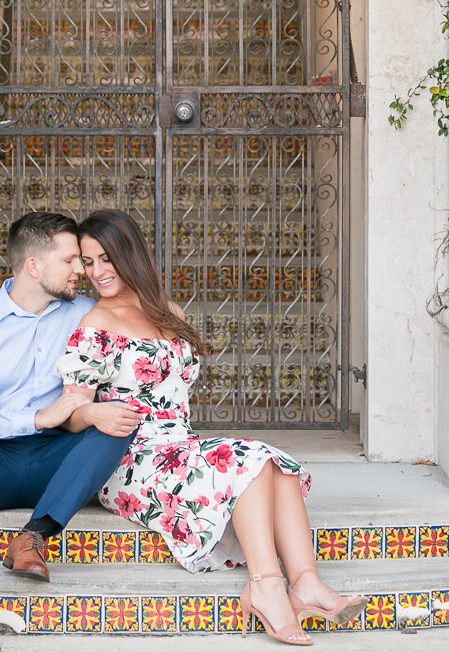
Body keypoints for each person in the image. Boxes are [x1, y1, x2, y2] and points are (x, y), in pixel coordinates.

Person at [54, 209, 366, 647]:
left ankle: (306, 583)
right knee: (248, 459)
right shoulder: (95, 325)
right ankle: (266, 586)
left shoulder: (167, 311)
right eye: (88, 262)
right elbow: (71, 412)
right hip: (127, 458)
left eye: (106, 258)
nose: (96, 271)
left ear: (130, 254)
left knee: (274, 463)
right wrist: (92, 414)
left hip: (178, 446)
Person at [0, 211, 138, 651]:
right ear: (34, 265)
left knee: (115, 421)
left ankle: (34, 536)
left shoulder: (87, 313)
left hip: (58, 462)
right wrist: (39, 417)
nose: (82, 270)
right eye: (70, 260)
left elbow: (140, 319)